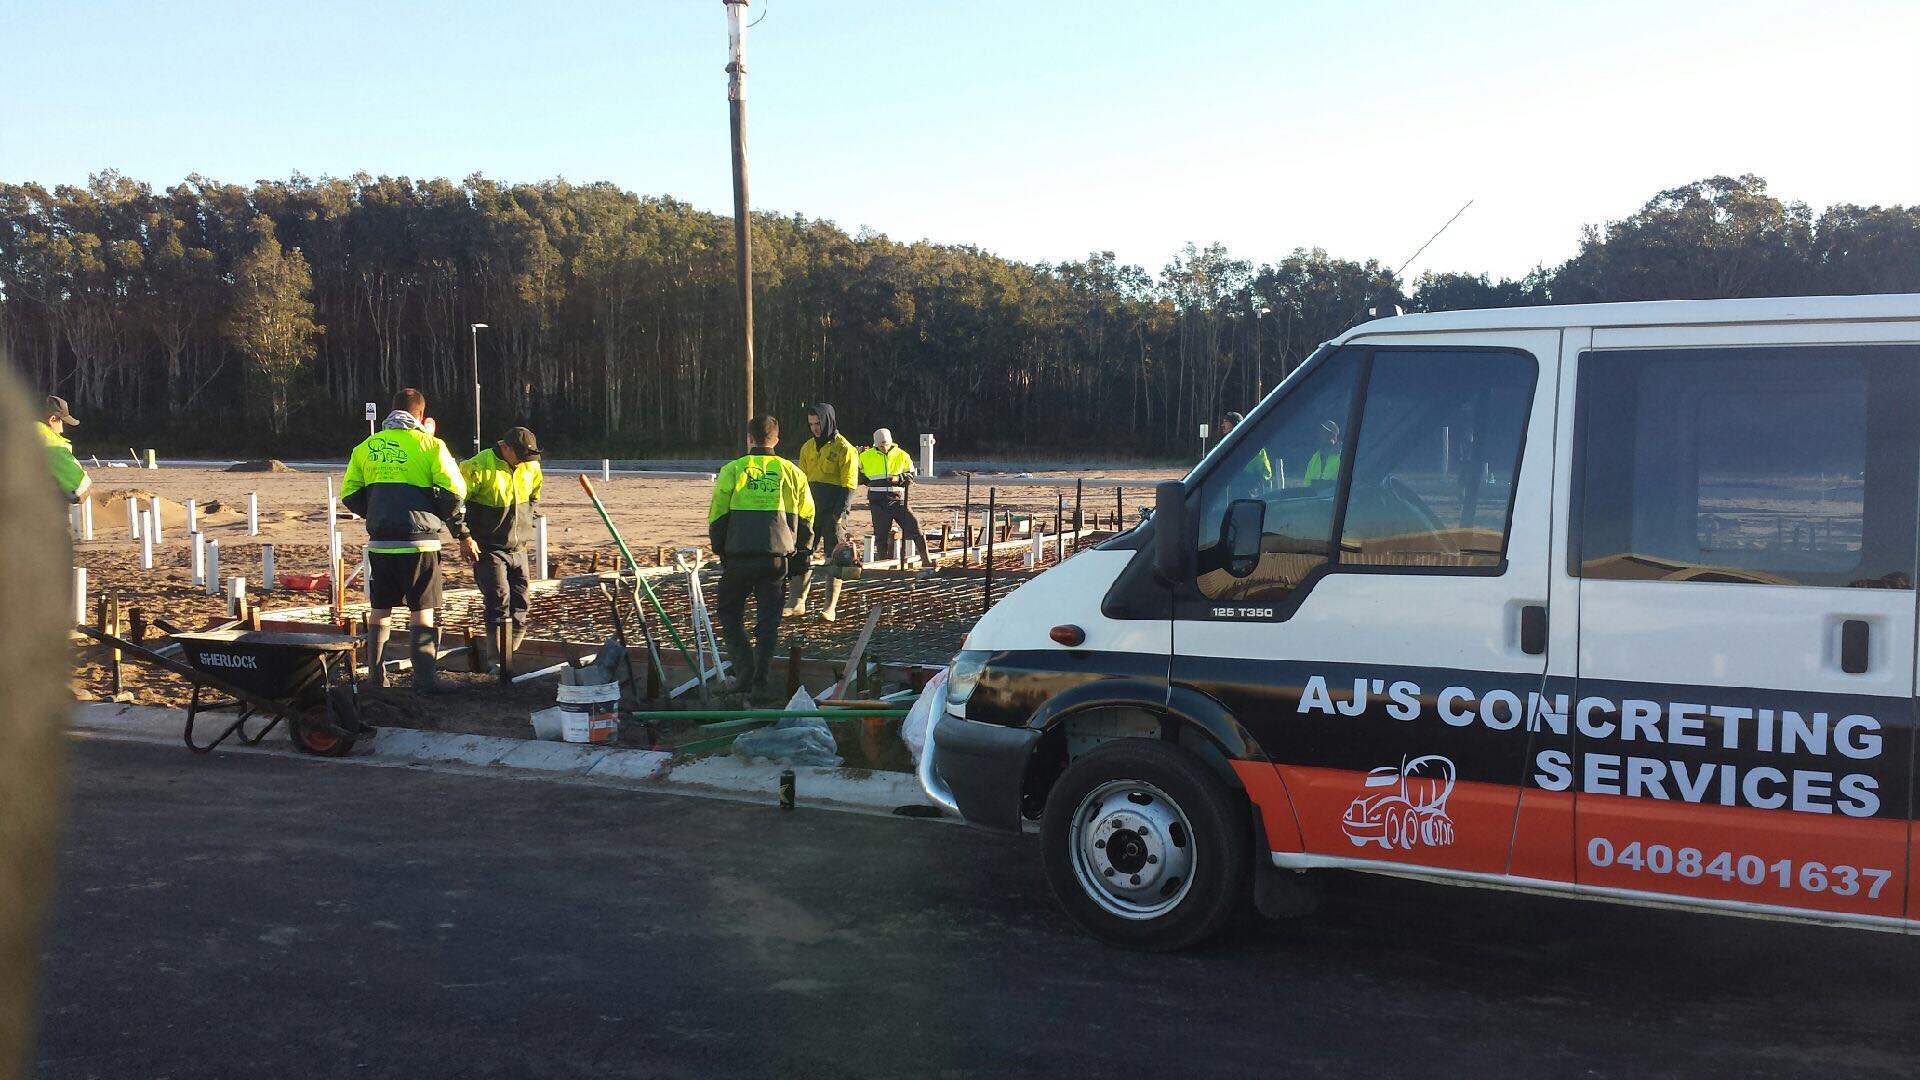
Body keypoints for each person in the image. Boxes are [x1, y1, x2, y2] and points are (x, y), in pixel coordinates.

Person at [342, 388, 467, 692]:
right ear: (420, 416)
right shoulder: (431, 446)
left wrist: (376, 513)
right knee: (421, 610)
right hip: (420, 543)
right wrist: (436, 515)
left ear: (391, 412)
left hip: (381, 542)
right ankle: (425, 681)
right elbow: (456, 491)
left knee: (380, 608)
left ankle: (375, 677)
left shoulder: (366, 447)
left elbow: (349, 494)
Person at [708, 415, 815, 703]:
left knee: (729, 613)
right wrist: (802, 554)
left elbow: (717, 515)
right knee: (768, 622)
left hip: (740, 557)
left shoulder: (733, 470)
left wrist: (722, 549)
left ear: (749, 439)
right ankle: (760, 683)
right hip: (776, 559)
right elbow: (806, 516)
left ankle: (744, 672)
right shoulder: (791, 473)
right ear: (776, 441)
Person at [453, 426, 543, 675]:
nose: (525, 462)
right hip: (489, 548)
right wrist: (464, 536)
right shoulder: (478, 466)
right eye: (521, 456)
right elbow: (455, 502)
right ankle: (497, 663)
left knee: (521, 603)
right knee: (498, 601)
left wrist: (526, 520)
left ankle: (508, 656)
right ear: (505, 447)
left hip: (518, 546)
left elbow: (534, 495)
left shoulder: (530, 466)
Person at [787, 402, 857, 621]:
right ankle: (797, 602)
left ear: (828, 421)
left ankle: (830, 607)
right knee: (802, 552)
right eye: (811, 424)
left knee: (834, 558)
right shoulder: (807, 447)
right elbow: (803, 480)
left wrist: (839, 514)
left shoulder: (845, 448)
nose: (815, 428)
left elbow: (849, 484)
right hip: (811, 509)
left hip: (833, 510)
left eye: (818, 423)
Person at [859, 428, 931, 569]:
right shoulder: (865, 456)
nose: (884, 448)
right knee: (881, 536)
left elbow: (910, 477)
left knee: (915, 527)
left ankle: (926, 559)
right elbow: (859, 476)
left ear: (891, 442)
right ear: (875, 444)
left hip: (898, 500)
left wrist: (898, 478)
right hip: (877, 502)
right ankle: (883, 564)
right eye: (880, 445)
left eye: (885, 445)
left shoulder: (902, 455)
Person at [39, 395, 90, 504]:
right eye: (63, 422)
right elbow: (81, 488)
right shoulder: (51, 444)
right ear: (52, 419)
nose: (62, 430)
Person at [1305, 419, 1342, 486]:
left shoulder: (1342, 457)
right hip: (1315, 496)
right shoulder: (1315, 457)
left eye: (1324, 432)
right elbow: (1307, 482)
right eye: (1321, 432)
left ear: (1332, 436)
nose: (1320, 435)